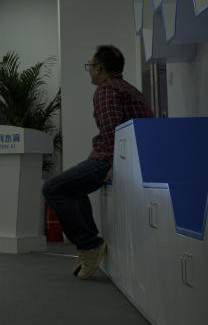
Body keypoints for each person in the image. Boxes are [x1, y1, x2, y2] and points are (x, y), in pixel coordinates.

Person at [42, 45, 152, 280]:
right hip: (126, 158)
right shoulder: (126, 88)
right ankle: (91, 243)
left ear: (100, 68)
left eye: (89, 65)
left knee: (52, 188)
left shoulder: (106, 90)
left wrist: (114, 166)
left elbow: (113, 132)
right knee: (73, 188)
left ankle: (89, 244)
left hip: (110, 159)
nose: (88, 70)